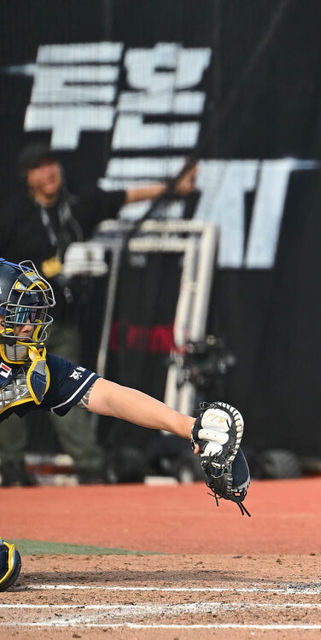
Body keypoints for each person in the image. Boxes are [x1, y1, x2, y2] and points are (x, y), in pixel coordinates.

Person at [0, 259, 246, 592]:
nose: (30, 325)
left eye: (32, 316)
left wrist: (188, 426)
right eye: (19, 315)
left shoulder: (28, 366)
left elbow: (108, 396)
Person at [0, 142, 196, 485]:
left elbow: (106, 395)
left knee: (50, 388)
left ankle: (89, 467)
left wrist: (186, 425)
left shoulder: (75, 207)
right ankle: (11, 468)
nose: (48, 172)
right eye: (38, 167)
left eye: (51, 164)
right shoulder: (14, 215)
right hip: (14, 330)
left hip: (61, 320)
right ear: (27, 178)